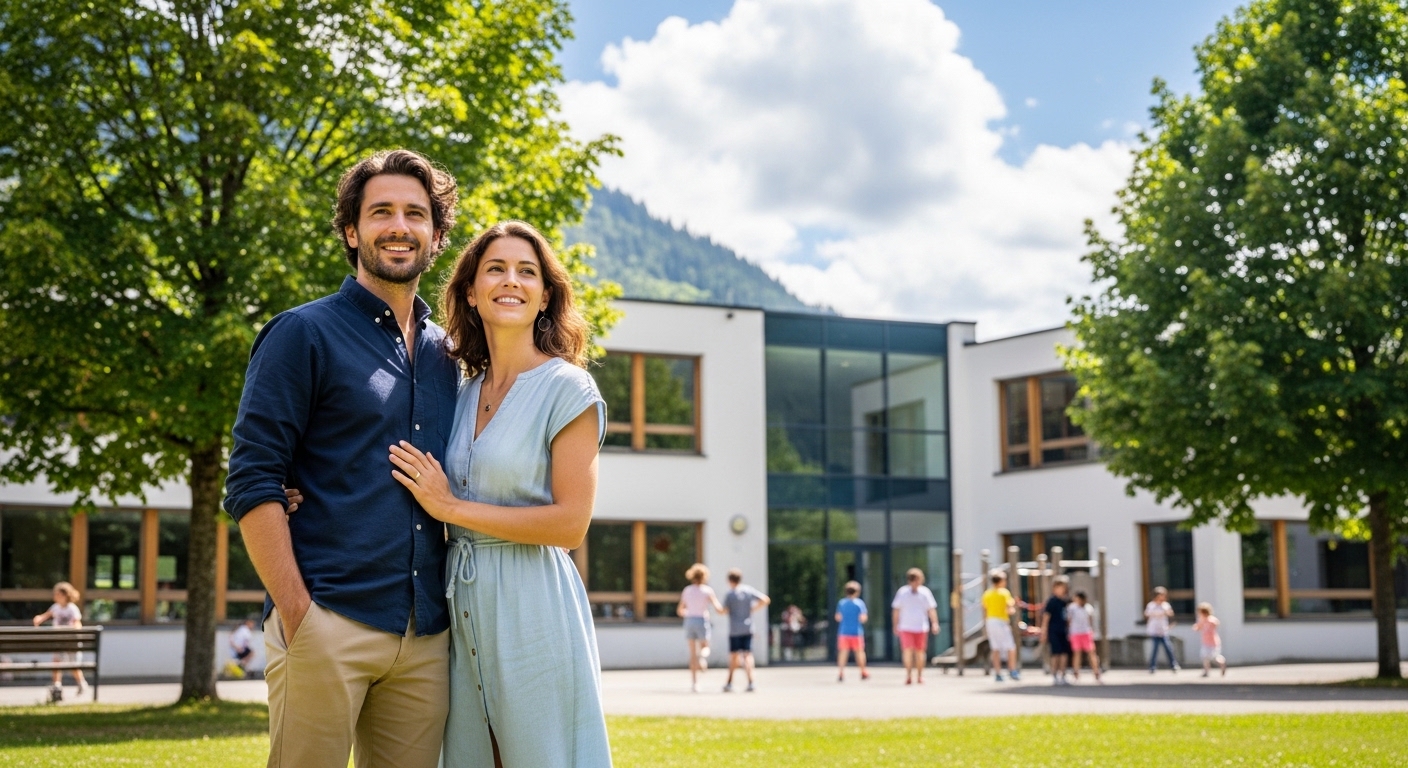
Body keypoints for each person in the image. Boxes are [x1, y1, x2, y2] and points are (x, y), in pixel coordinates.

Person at [225, 149, 461, 768]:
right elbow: (253, 479)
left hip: (427, 634)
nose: (399, 226)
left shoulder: (452, 355)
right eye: (380, 211)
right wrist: (299, 614)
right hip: (328, 620)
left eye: (415, 213)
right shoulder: (301, 334)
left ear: (436, 235)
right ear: (352, 231)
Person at [387, 220, 615, 766]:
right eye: (495, 269)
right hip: (458, 600)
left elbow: (570, 524)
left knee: (544, 754)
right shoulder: (460, 391)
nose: (510, 281)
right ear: (470, 291)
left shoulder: (568, 387)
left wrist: (451, 508)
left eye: (526, 271)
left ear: (544, 296)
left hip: (532, 600)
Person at [32, 581, 87, 698]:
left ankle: (81, 682)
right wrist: (39, 618)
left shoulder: (72, 609)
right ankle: (57, 684)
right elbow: (45, 615)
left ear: (66, 595)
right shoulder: (55, 607)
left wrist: (72, 628)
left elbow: (77, 623)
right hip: (60, 640)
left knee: (73, 665)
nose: (55, 597)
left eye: (58, 594)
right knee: (56, 662)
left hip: (71, 641)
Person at [719, 568, 770, 692]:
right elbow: (765, 599)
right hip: (747, 628)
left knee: (733, 656)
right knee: (747, 655)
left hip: (735, 629)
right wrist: (753, 609)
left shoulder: (730, 594)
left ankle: (730, 682)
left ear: (729, 580)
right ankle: (751, 682)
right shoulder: (748, 591)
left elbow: (724, 610)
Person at [678, 563, 723, 692]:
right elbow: (718, 608)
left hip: (689, 621)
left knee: (692, 653)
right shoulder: (707, 590)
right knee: (705, 647)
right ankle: (702, 658)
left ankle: (694, 683)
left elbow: (680, 610)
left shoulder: (687, 590)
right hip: (702, 620)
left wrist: (688, 613)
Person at [891, 568, 939, 685]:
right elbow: (896, 610)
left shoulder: (924, 592)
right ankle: (908, 675)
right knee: (907, 651)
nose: (916, 583)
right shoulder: (902, 592)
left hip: (921, 627)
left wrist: (934, 623)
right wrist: (895, 625)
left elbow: (931, 609)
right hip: (906, 627)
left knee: (920, 652)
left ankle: (919, 675)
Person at [982, 572, 1020, 682]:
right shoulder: (1004, 593)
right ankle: (1012, 670)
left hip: (990, 621)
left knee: (995, 648)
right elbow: (1010, 609)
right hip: (1001, 622)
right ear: (1001, 581)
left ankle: (998, 673)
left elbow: (984, 609)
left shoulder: (987, 594)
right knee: (1011, 647)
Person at [834, 581, 870, 682]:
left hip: (844, 632)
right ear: (857, 592)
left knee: (843, 653)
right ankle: (863, 671)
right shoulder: (859, 603)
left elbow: (838, 617)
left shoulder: (841, 603)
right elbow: (863, 618)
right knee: (859, 653)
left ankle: (841, 672)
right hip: (856, 632)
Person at [1039, 576, 1071, 686]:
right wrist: (1044, 632)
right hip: (1054, 630)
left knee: (1064, 653)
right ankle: (1054, 674)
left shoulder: (1065, 602)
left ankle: (1063, 674)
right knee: (1055, 653)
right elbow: (1046, 617)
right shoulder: (1051, 601)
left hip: (1064, 630)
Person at [1066, 590, 1102, 684]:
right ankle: (1076, 674)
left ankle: (1096, 673)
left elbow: (1091, 621)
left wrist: (1093, 631)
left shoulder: (1088, 608)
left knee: (1091, 653)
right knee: (1077, 654)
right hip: (1075, 633)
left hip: (1086, 632)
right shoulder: (1072, 608)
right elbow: (1069, 620)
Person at [1145, 586, 1179, 673]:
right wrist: (1158, 613)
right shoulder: (1151, 605)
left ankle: (1173, 665)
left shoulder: (1165, 605)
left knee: (1168, 648)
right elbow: (1147, 614)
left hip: (1163, 630)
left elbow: (1171, 614)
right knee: (1155, 649)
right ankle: (1152, 667)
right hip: (1154, 630)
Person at [1192, 602, 1227, 677]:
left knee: (1214, 657)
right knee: (1204, 657)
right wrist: (1196, 628)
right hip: (1205, 642)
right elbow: (1197, 627)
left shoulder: (1211, 620)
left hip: (1213, 642)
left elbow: (1216, 623)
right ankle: (1206, 671)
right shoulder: (1202, 620)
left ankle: (1222, 663)